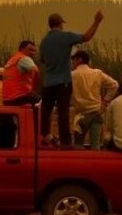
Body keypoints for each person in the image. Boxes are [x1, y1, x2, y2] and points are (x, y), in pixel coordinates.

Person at [37, 9, 104, 146]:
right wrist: (96, 22)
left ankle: (44, 135)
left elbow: (42, 60)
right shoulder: (66, 37)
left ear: (50, 25)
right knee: (63, 113)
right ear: (61, 24)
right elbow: (86, 37)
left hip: (48, 82)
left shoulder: (44, 41)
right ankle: (65, 141)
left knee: (46, 112)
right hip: (63, 82)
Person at [70, 50, 118, 150]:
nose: (73, 62)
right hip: (96, 112)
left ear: (79, 60)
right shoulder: (98, 73)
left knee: (78, 144)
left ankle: (79, 164)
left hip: (81, 115)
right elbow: (114, 85)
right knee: (95, 144)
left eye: (74, 60)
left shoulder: (72, 75)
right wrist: (106, 100)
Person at [1, 40, 41, 106]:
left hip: (7, 99)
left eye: (34, 51)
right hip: (19, 97)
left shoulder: (12, 60)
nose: (33, 53)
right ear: (22, 49)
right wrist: (33, 89)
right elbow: (35, 71)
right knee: (46, 103)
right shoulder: (24, 58)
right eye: (30, 49)